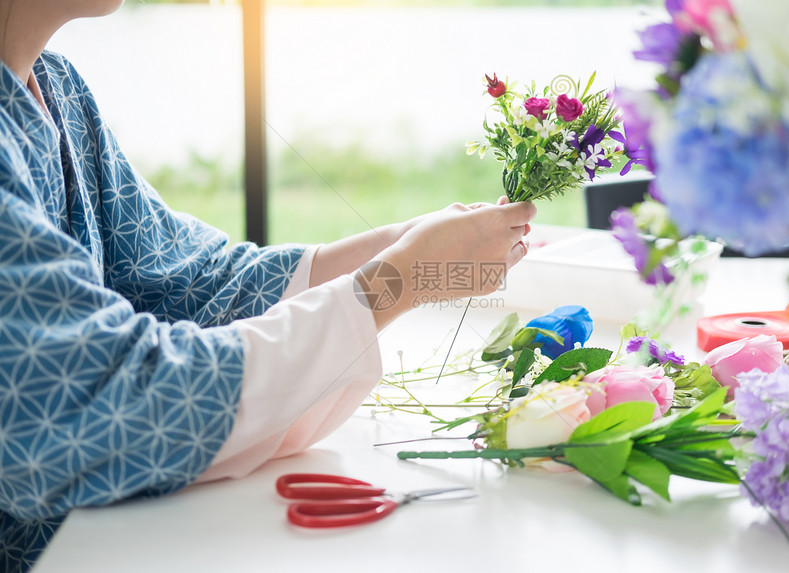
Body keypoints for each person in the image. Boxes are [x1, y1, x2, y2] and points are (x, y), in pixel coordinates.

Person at [0, 1, 536, 571]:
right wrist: (398, 281)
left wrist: (402, 244)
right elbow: (94, 400)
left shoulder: (58, 88)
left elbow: (184, 279)